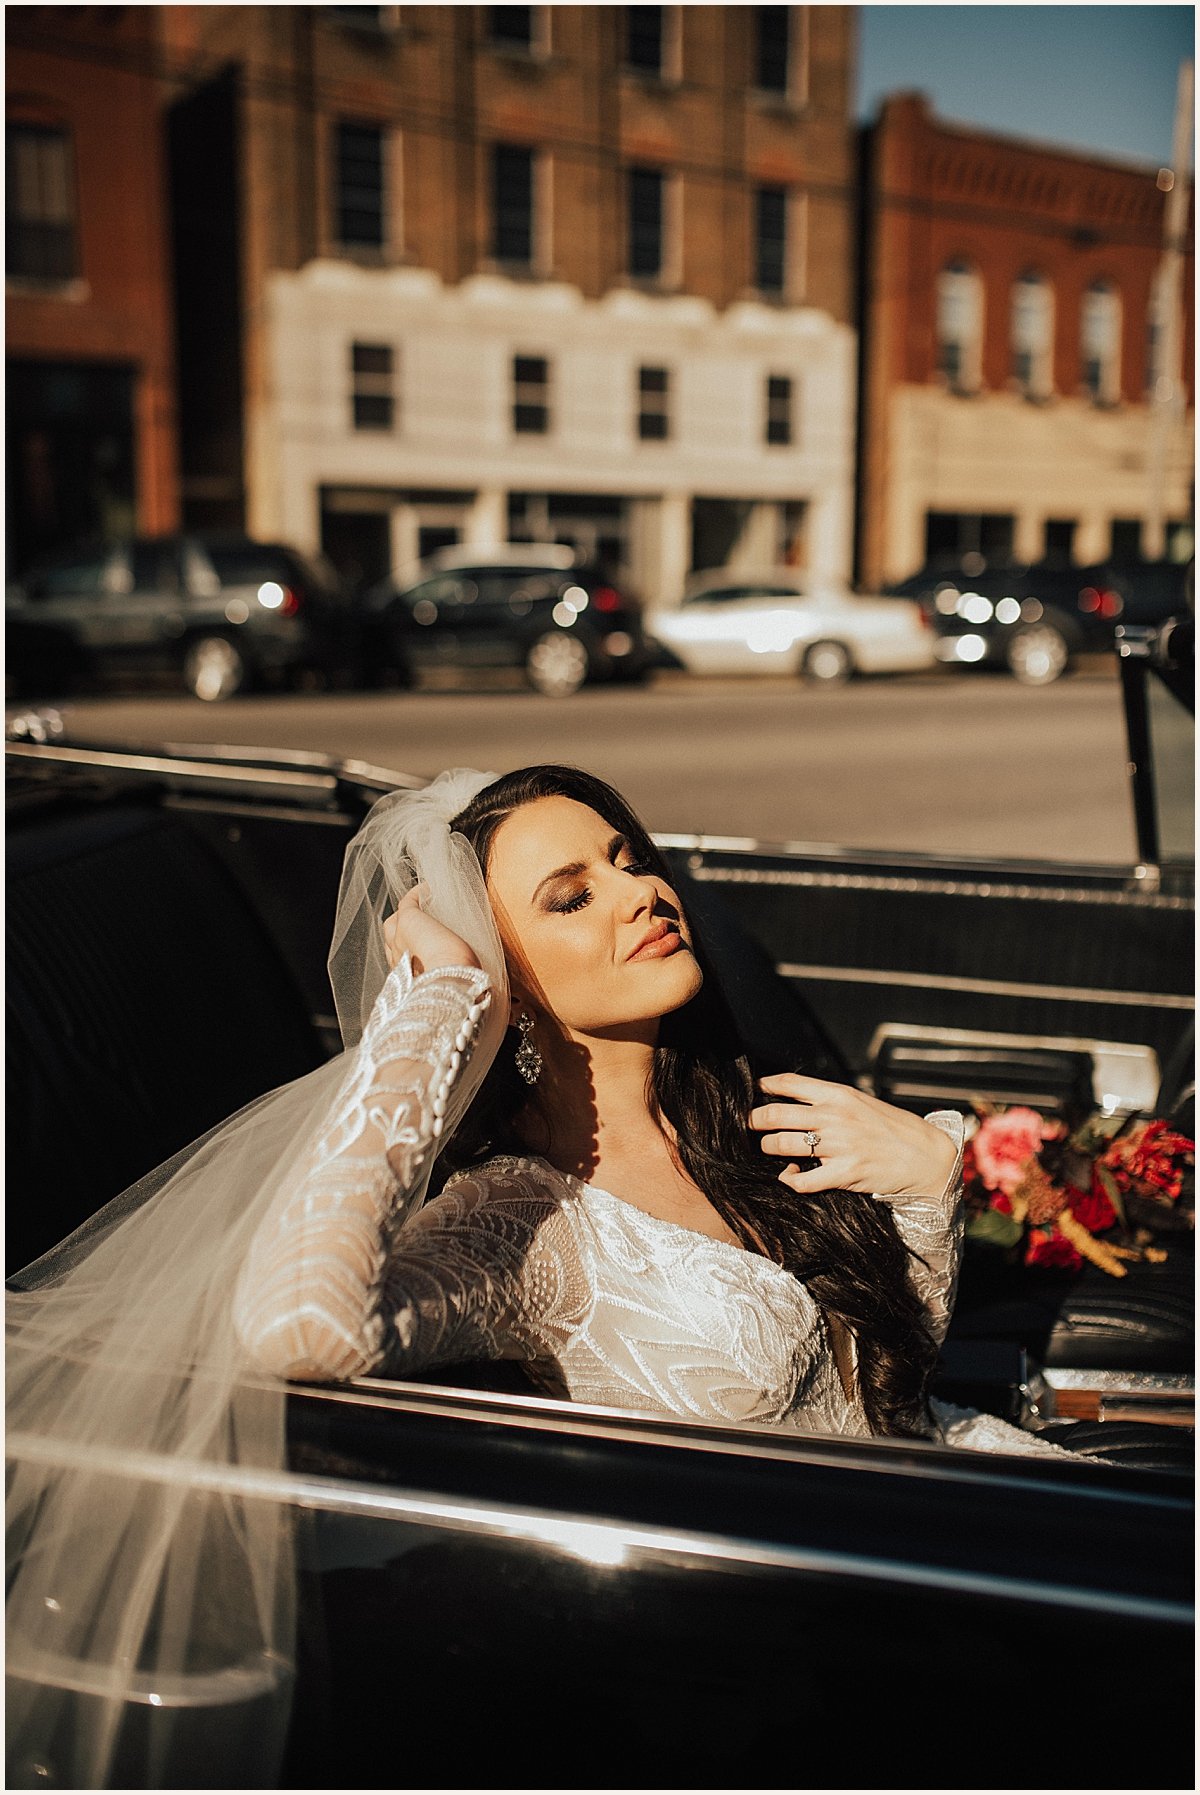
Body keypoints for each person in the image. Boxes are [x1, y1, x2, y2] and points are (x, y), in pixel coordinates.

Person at [4, 763, 1070, 1792]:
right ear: (506, 983)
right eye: (573, 895)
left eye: (626, 858)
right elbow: (296, 1321)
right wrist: (438, 1009)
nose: (642, 890)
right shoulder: (521, 1222)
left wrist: (932, 1188)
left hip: (949, 1523)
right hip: (819, 1641)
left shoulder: (734, 1119)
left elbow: (883, 1396)